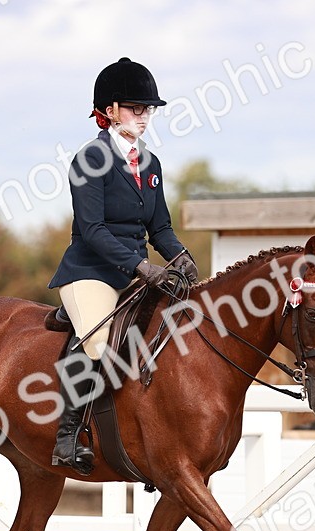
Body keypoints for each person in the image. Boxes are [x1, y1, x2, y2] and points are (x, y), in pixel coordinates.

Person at [48, 57, 197, 475]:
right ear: (110, 110)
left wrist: (180, 256)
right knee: (99, 342)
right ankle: (68, 435)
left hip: (135, 273)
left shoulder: (150, 164)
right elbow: (93, 230)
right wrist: (141, 267)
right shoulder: (88, 160)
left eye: (148, 109)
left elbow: (160, 227)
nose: (144, 116)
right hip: (90, 272)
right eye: (135, 108)